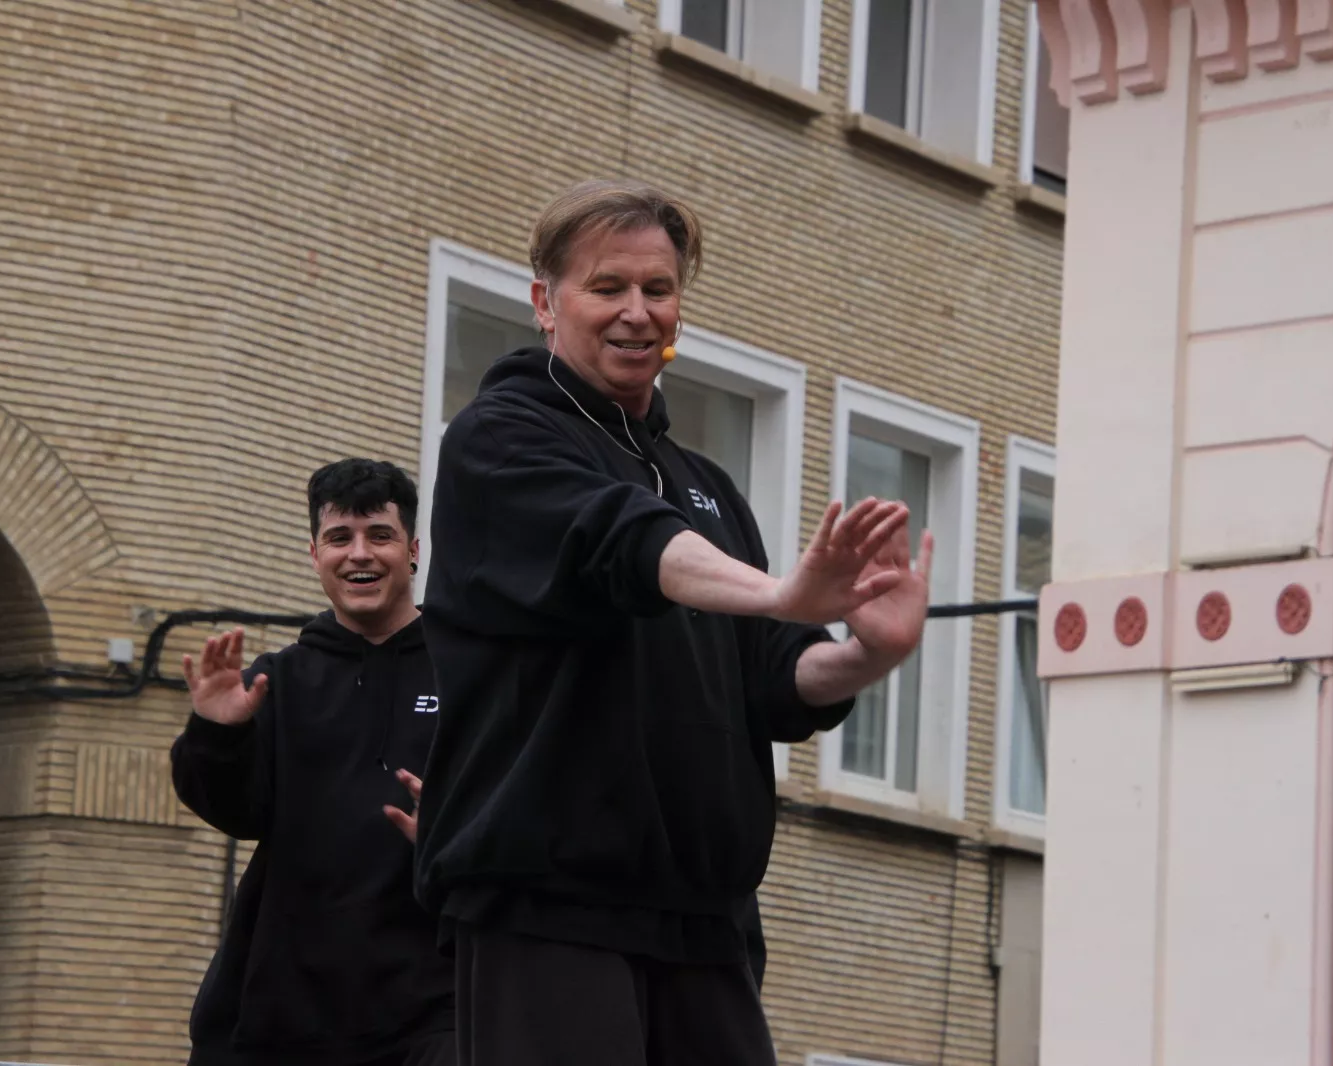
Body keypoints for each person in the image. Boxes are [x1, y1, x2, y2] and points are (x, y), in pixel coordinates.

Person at [415, 180, 932, 1064]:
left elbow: (776, 679)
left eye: (658, 289)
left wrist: (866, 653)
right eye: (607, 287)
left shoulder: (708, 486)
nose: (636, 312)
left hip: (704, 919)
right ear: (546, 303)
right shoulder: (497, 437)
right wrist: (781, 593)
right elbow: (620, 539)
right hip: (547, 902)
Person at [171, 459, 455, 1066]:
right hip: (283, 1011)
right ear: (314, 553)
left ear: (413, 551)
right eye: (339, 538)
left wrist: (461, 826)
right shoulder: (276, 681)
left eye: (380, 535)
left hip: (434, 1009)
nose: (360, 554)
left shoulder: (470, 675)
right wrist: (218, 732)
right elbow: (236, 812)